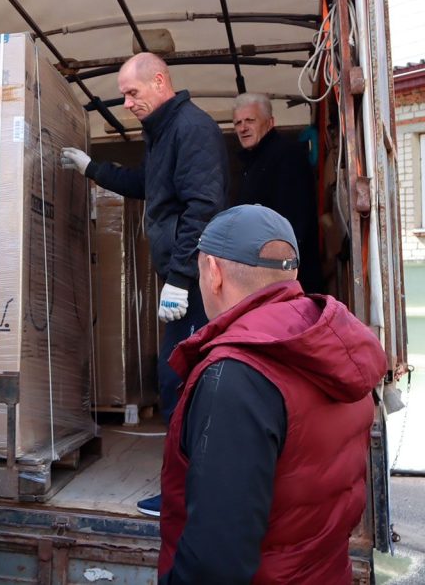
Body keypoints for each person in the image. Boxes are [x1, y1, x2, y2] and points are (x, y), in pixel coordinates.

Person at [158, 204, 386, 584]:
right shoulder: (336, 347)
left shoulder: (235, 377)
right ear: (290, 273)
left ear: (214, 272)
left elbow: (215, 564)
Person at [61, 52, 228, 517]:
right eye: (123, 95)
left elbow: (203, 207)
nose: (127, 103)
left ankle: (188, 496)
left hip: (197, 283)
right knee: (179, 378)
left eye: (132, 92)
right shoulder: (162, 132)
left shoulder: (191, 129)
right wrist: (92, 168)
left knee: (182, 381)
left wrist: (180, 278)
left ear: (159, 81)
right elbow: (146, 186)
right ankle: (189, 490)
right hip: (185, 278)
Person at [233, 92, 325, 293]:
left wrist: (279, 272)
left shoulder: (287, 156)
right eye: (238, 123)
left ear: (270, 122)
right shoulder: (252, 162)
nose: (243, 128)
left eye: (250, 120)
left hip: (287, 280)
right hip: (266, 277)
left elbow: (295, 222)